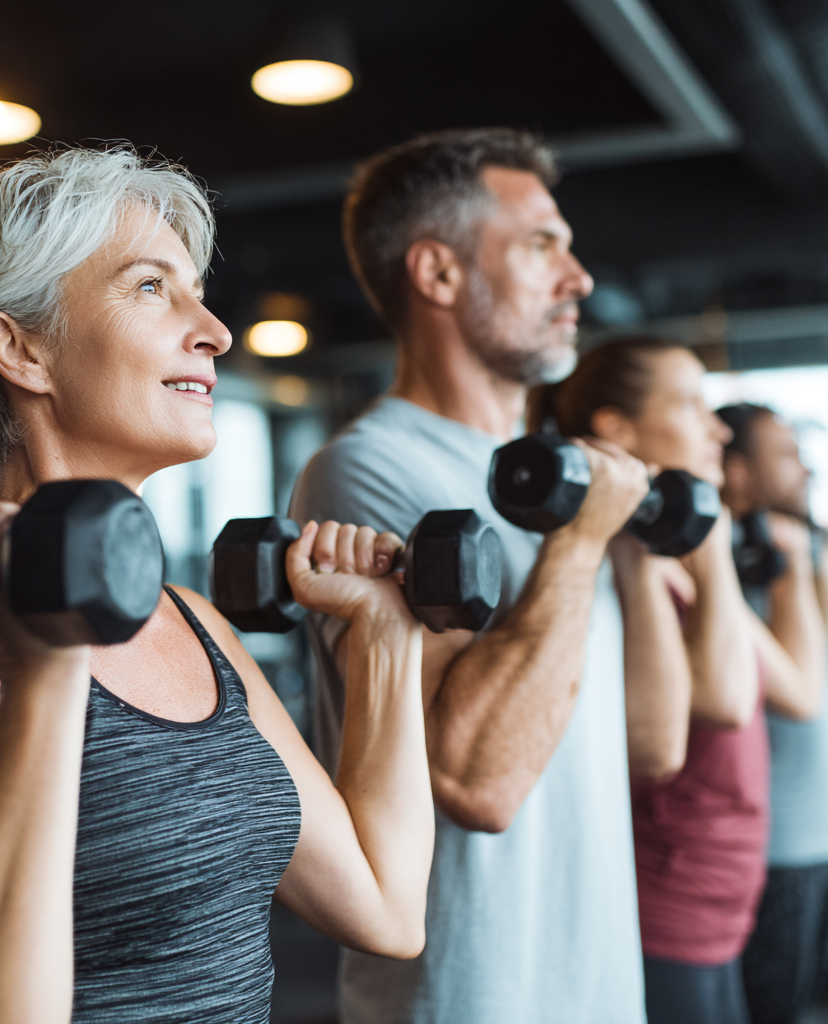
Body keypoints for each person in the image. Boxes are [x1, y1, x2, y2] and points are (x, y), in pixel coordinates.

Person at [0, 146, 436, 1024]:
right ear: (20, 347)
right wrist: (44, 670)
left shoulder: (192, 623)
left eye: (195, 288)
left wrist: (387, 638)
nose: (215, 331)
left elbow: (385, 908)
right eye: (152, 287)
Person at [290, 128, 651, 1023]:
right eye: (542, 245)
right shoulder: (368, 471)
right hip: (475, 996)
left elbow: (654, 743)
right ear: (439, 275)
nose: (581, 278)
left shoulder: (560, 479)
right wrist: (577, 544)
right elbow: (476, 783)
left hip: (601, 983)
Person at [529, 340, 823, 1024]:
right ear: (618, 430)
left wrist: (786, 560)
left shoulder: (673, 558)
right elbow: (724, 699)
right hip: (669, 897)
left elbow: (801, 692)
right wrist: (712, 531)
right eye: (692, 406)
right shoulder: (625, 560)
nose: (717, 427)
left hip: (723, 893)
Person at [717, 403, 828, 1024]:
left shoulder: (798, 546)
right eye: (784, 456)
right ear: (735, 471)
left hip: (815, 837)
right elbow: (798, 686)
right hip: (773, 848)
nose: (805, 469)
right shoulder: (726, 559)